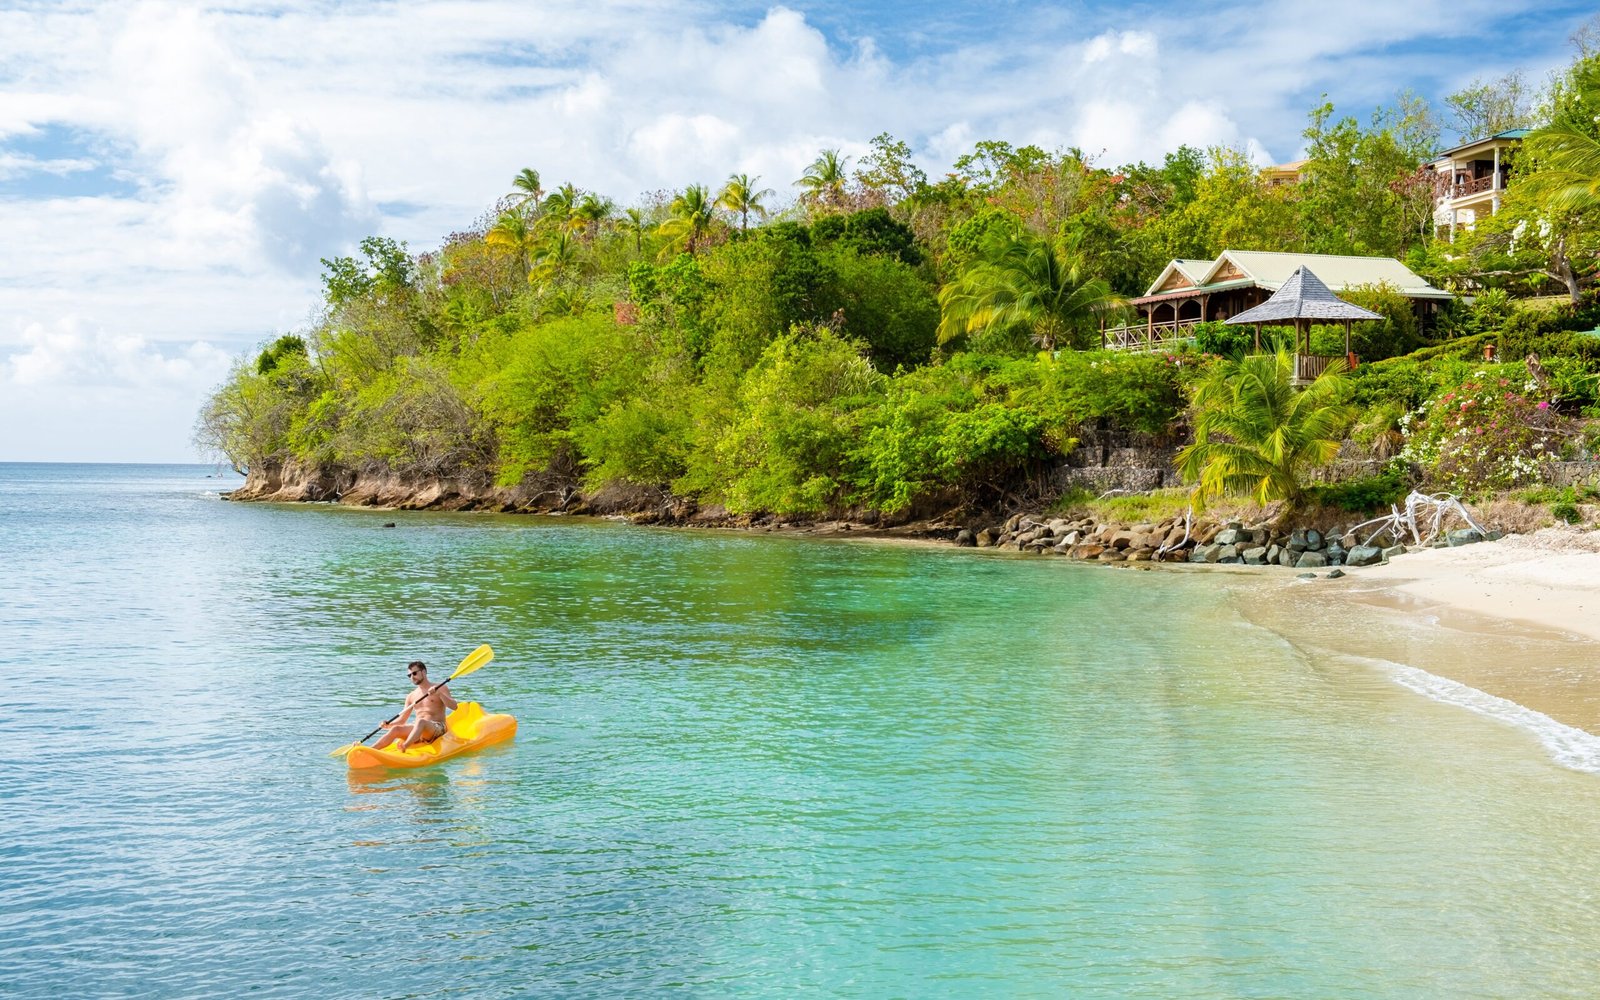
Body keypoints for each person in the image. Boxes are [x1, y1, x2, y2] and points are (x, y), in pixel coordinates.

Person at [373, 660, 457, 751]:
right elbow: (402, 720)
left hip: (437, 727)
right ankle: (370, 750)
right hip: (417, 727)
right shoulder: (411, 696)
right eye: (409, 675)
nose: (412, 677)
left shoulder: (440, 687)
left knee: (421, 722)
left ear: (424, 672)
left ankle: (405, 746)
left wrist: (439, 694)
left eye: (414, 673)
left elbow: (454, 706)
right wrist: (389, 725)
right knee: (396, 729)